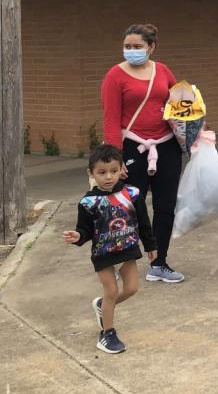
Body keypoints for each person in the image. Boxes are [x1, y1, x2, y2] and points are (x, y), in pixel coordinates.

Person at [100, 23, 185, 284]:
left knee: (166, 206)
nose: (132, 51)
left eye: (137, 46)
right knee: (130, 208)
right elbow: (111, 118)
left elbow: (180, 101)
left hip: (166, 147)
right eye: (127, 46)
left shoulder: (163, 70)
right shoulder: (115, 75)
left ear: (151, 47)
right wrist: (115, 159)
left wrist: (196, 125)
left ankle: (159, 262)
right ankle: (123, 259)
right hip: (132, 147)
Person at [63, 144, 157, 354]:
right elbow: (84, 230)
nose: (109, 177)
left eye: (114, 171)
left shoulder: (132, 194)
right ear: (91, 173)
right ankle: (107, 333)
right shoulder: (89, 202)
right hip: (103, 253)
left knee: (131, 288)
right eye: (102, 172)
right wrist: (78, 236)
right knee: (112, 291)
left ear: (122, 169)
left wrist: (151, 246)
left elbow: (143, 222)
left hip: (127, 249)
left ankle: (103, 306)